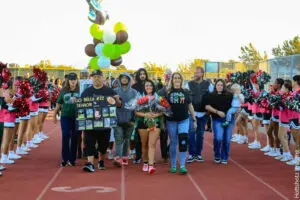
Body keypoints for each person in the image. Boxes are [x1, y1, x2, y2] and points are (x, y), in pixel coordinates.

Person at [81, 70, 121, 172]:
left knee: (103, 145)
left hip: (105, 123)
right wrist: (76, 102)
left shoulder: (110, 91)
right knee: (89, 142)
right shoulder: (86, 92)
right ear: (91, 78)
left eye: (98, 76)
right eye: (94, 77)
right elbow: (80, 106)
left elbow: (119, 105)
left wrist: (117, 100)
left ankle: (101, 160)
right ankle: (90, 163)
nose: (96, 78)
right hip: (90, 123)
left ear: (102, 78)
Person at [166, 73, 197, 174]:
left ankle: (183, 165)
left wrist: (194, 118)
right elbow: (161, 104)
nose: (177, 79)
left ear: (181, 80)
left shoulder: (186, 92)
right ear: (172, 80)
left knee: (183, 142)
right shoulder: (167, 91)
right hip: (171, 121)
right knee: (173, 142)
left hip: (184, 120)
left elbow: (190, 106)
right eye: (175, 78)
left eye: (179, 78)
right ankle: (173, 165)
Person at [187, 67, 213, 163]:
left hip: (203, 114)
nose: (195, 74)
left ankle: (198, 153)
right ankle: (191, 154)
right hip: (191, 113)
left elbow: (213, 96)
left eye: (197, 72)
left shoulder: (208, 85)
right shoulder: (188, 84)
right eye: (195, 72)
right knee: (191, 134)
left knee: (200, 134)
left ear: (202, 74)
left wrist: (209, 110)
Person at [53, 73, 80, 166]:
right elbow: (59, 102)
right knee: (65, 135)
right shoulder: (64, 90)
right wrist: (54, 114)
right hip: (65, 115)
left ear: (77, 80)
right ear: (68, 80)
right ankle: (64, 158)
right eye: (71, 79)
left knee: (75, 137)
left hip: (78, 117)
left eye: (74, 79)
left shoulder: (81, 90)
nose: (73, 81)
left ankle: (72, 159)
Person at [204, 79, 234, 164]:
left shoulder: (229, 95)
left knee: (227, 139)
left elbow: (237, 103)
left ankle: (224, 157)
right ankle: (217, 154)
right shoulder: (211, 95)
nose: (220, 86)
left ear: (224, 86)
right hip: (217, 119)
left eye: (221, 85)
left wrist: (237, 108)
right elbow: (207, 107)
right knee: (218, 137)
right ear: (215, 86)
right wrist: (217, 112)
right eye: (218, 85)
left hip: (229, 120)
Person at [113, 72, 137, 166]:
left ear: (129, 79)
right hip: (117, 119)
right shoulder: (114, 91)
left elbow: (136, 107)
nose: (124, 79)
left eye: (126, 78)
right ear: (119, 79)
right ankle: (118, 158)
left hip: (129, 119)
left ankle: (124, 157)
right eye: (122, 78)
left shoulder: (134, 92)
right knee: (118, 138)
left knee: (127, 139)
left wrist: (133, 120)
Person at [131, 68, 149, 164]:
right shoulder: (134, 87)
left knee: (148, 137)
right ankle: (138, 156)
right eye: (140, 74)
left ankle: (148, 156)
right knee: (138, 138)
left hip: (149, 114)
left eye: (144, 74)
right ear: (138, 75)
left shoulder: (150, 85)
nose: (142, 75)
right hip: (138, 115)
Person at [157, 69, 172, 164]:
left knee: (175, 136)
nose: (168, 79)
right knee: (163, 136)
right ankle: (164, 155)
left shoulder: (175, 91)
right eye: (166, 77)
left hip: (173, 116)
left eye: (169, 77)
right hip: (162, 117)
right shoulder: (159, 92)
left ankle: (168, 150)